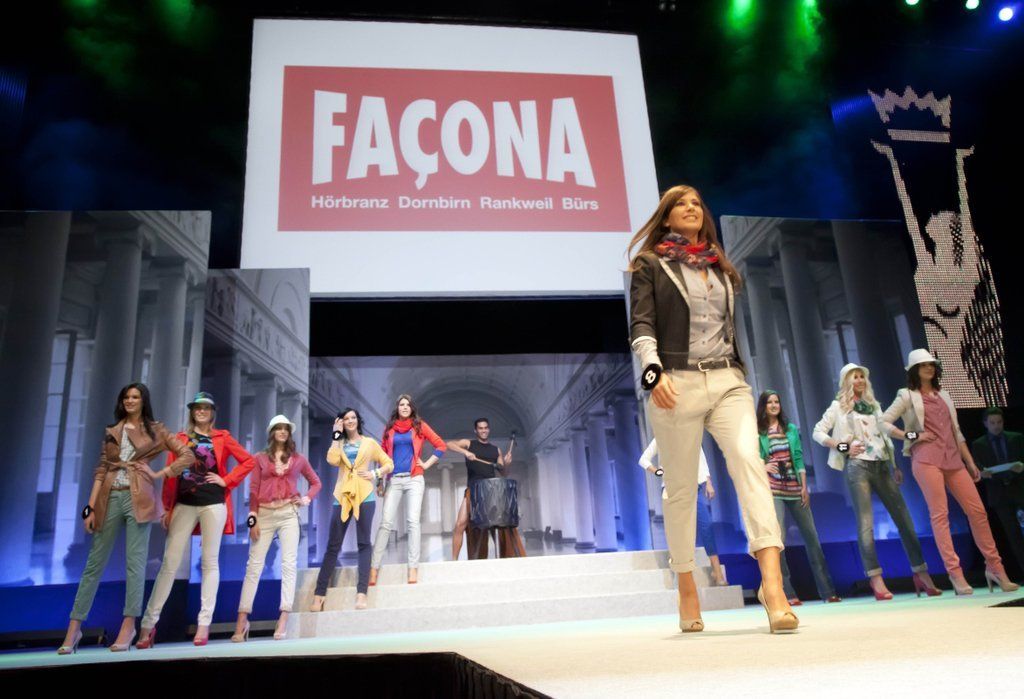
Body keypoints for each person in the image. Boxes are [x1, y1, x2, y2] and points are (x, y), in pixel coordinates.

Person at [628, 184, 796, 633]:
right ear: (666, 217)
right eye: (680, 204)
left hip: (727, 381)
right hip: (675, 382)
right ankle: (687, 586)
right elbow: (642, 323)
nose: (691, 208)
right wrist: (653, 371)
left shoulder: (720, 265)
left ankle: (773, 586)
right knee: (681, 489)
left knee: (749, 463)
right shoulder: (650, 265)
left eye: (696, 204)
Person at [58, 383, 194, 655]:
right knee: (94, 564)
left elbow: (187, 454)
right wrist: (89, 508)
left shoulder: (155, 429)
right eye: (126, 397)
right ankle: (74, 628)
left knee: (135, 565)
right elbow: (101, 470)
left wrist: (161, 473)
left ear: (143, 400)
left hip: (139, 498)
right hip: (109, 497)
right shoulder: (113, 430)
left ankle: (128, 626)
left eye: (135, 397)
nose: (130, 401)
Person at [882, 349, 1019, 594]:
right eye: (923, 365)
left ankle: (995, 568)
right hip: (926, 459)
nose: (929, 368)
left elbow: (956, 431)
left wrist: (970, 462)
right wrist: (913, 435)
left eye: (931, 364)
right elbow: (883, 423)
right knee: (940, 515)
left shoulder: (944, 394)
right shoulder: (907, 395)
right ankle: (955, 573)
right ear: (915, 370)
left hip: (954, 459)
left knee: (978, 512)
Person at [136, 391, 255, 648]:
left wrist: (226, 480)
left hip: (213, 503)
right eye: (197, 407)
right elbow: (171, 475)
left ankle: (204, 624)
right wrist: (166, 508)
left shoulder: (222, 437)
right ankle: (148, 625)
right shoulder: (180, 439)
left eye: (206, 408)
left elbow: (248, 461)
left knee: (210, 563)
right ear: (192, 412)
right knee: (169, 563)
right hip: (184, 504)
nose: (201, 411)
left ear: (212, 413)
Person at [814, 363, 939, 599]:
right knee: (866, 525)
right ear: (846, 381)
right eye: (854, 377)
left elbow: (887, 435)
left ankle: (921, 573)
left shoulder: (874, 406)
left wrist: (895, 464)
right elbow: (818, 432)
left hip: (882, 465)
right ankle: (875, 578)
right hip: (858, 466)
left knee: (905, 520)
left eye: (862, 376)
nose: (859, 380)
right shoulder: (838, 407)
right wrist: (843, 447)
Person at [233, 415, 321, 641]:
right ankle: (242, 620)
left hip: (289, 514)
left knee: (288, 564)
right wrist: (252, 520)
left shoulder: (298, 459)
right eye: (278, 428)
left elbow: (316, 483)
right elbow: (253, 490)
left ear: (289, 433)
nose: (282, 431)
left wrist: (305, 499)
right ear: (272, 432)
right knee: (253, 566)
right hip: (263, 514)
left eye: (285, 428)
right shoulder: (260, 458)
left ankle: (284, 617)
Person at [756, 390, 840, 604]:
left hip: (795, 487)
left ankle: (828, 591)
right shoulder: (759, 432)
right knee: (779, 540)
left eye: (776, 401)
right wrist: (763, 466)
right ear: (763, 406)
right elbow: (752, 458)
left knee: (812, 537)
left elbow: (798, 457)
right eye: (769, 402)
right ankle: (787, 592)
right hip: (773, 489)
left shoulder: (791, 429)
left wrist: (804, 486)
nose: (774, 405)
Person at [310, 408, 393, 612]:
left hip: (365, 496)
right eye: (346, 419)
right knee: (333, 546)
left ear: (358, 420)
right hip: (342, 496)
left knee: (364, 544)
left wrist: (374, 473)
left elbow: (388, 463)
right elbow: (331, 460)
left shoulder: (369, 443)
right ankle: (319, 594)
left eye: (353, 417)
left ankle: (361, 593)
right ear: (341, 422)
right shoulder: (339, 442)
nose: (350, 421)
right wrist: (335, 436)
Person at [369, 395, 447, 585]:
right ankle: (373, 568)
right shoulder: (389, 429)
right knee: (385, 523)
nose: (405, 407)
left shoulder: (419, 426)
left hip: (414, 479)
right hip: (394, 479)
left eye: (408, 405)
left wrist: (426, 464)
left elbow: (441, 445)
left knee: (413, 522)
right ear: (397, 408)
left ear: (412, 408)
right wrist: (379, 482)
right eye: (401, 404)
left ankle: (413, 568)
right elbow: (381, 456)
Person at [639, 439, 728, 586]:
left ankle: (717, 571)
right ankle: (681, 573)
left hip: (694, 487)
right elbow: (643, 459)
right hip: (672, 490)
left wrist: (708, 482)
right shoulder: (661, 436)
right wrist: (658, 471)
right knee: (678, 532)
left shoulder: (691, 431)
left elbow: (701, 459)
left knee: (706, 526)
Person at [446, 418, 512, 560]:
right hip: (473, 489)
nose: (483, 430)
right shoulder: (468, 444)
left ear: (489, 429)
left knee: (496, 527)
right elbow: (449, 444)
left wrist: (506, 464)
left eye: (486, 428)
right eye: (480, 428)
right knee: (460, 525)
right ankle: (453, 561)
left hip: (491, 492)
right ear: (476, 430)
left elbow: (503, 473)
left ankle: (502, 560)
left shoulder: (496, 450)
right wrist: (465, 452)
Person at [971, 407, 1024, 577]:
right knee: (1013, 536)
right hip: (999, 494)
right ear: (985, 424)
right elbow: (977, 468)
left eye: (999, 422)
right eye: (992, 423)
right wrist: (982, 474)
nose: (996, 426)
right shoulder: (978, 444)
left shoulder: (1016, 438)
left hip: (1019, 489)